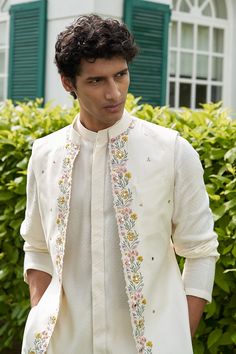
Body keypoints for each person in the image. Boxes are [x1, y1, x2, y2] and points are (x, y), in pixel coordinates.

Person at [21, 14, 219, 354]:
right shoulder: (45, 155)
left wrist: (177, 337)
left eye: (121, 75)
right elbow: (37, 246)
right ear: (69, 83)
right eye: (96, 81)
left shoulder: (171, 151)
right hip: (62, 345)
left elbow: (201, 252)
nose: (114, 93)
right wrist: (40, 309)